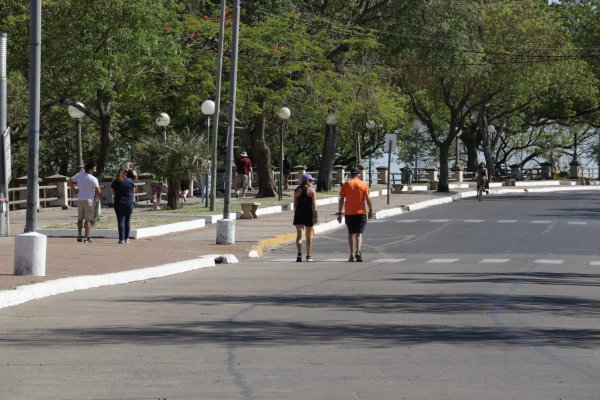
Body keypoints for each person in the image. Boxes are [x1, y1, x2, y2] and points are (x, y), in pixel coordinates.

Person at [337, 167, 374, 262]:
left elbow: (341, 199)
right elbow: (368, 199)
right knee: (359, 234)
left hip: (349, 213)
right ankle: (358, 251)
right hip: (360, 212)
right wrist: (370, 210)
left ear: (350, 174)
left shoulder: (346, 184)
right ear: (358, 175)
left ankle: (351, 254)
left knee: (350, 233)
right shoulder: (363, 184)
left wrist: (340, 213)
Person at [69, 161, 102, 243]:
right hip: (89, 200)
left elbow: (70, 181)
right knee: (88, 219)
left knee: (80, 218)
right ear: (90, 169)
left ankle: (79, 234)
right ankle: (86, 238)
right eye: (94, 168)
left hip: (80, 199)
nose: (95, 170)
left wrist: (74, 190)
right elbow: (98, 190)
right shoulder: (93, 178)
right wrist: (101, 199)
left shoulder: (79, 175)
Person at [293, 173, 318, 262]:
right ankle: (308, 256)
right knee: (308, 236)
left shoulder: (296, 190)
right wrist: (315, 215)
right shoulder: (311, 190)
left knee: (299, 235)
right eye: (310, 180)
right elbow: (314, 204)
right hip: (308, 214)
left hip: (299, 213)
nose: (311, 182)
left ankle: (299, 254)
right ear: (307, 181)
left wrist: (296, 213)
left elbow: (295, 204)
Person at [111, 167, 135, 244]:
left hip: (118, 202)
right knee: (127, 221)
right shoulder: (130, 181)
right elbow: (133, 192)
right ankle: (127, 238)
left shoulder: (115, 182)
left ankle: (121, 239)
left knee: (120, 221)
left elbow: (113, 193)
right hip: (129, 202)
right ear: (126, 173)